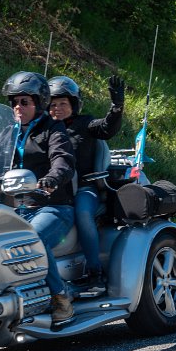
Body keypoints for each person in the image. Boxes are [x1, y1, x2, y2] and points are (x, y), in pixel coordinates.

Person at [0, 71, 77, 324]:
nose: (18, 107)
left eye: (24, 102)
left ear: (39, 103)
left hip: (52, 206)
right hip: (14, 209)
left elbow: (63, 160)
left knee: (32, 238)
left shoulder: (53, 129)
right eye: (14, 102)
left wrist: (52, 179)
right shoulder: (8, 133)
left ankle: (60, 297)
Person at [47, 74, 125, 293]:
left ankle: (94, 272)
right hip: (51, 189)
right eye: (53, 105)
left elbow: (107, 128)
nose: (57, 109)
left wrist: (116, 107)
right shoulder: (43, 130)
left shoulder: (85, 124)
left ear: (74, 105)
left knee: (82, 213)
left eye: (63, 103)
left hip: (84, 188)